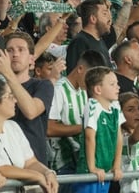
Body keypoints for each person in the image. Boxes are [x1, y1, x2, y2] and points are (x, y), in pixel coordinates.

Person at [48, 50, 105, 186]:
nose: (92, 83)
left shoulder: (84, 91)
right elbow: (48, 128)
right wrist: (84, 128)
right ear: (80, 69)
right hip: (62, 164)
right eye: (90, 77)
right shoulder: (59, 89)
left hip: (80, 159)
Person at [0, 32, 54, 165]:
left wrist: (8, 74)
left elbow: (31, 111)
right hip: (3, 165)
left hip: (35, 165)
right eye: (10, 50)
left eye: (21, 50)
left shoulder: (43, 85)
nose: (15, 54)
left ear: (31, 59)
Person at [0, 78, 56, 193]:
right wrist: (36, 176)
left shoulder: (13, 127)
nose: (15, 100)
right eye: (10, 96)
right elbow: (1, 167)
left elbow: (30, 162)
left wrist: (47, 172)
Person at [74, 66, 124, 193]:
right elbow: (89, 137)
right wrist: (92, 167)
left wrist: (116, 165)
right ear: (98, 89)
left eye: (117, 83)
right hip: (89, 173)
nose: (118, 87)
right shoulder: (92, 105)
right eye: (112, 84)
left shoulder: (116, 107)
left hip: (105, 171)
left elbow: (119, 138)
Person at [66, 0, 116, 72]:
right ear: (93, 19)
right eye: (104, 14)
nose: (109, 18)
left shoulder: (101, 41)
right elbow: (75, 74)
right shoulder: (80, 42)